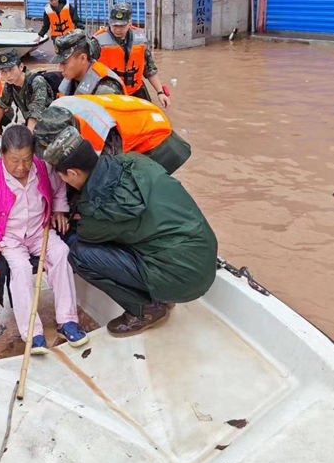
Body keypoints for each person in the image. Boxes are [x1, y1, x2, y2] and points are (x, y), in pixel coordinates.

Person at [41, 127, 217, 336]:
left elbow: (87, 234)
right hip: (203, 255)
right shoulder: (134, 161)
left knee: (80, 254)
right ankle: (161, 292)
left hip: (185, 280)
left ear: (72, 173)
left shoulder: (99, 210)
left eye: (62, 177)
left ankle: (145, 310)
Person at [0, 125, 87, 353]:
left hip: (40, 230)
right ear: (1, 154)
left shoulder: (42, 167)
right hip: (9, 237)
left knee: (61, 254)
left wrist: (59, 210)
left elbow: (59, 188)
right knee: (20, 268)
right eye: (14, 160)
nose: (21, 167)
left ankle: (67, 321)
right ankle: (32, 332)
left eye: (27, 160)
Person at [34, 96, 191, 174]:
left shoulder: (100, 133)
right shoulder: (55, 110)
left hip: (157, 135)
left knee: (135, 189)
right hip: (129, 113)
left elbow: (106, 175)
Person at [95, 3, 170, 107]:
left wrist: (160, 92)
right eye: (115, 25)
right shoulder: (97, 41)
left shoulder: (140, 40)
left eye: (122, 26)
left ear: (130, 22)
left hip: (136, 90)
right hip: (110, 94)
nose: (118, 29)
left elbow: (149, 69)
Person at [0, 49, 51, 138]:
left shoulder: (37, 82)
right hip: (31, 123)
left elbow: (35, 112)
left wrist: (28, 137)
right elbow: (2, 105)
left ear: (21, 67)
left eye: (11, 70)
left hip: (47, 124)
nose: (8, 75)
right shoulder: (10, 85)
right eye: (3, 71)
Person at [53, 30, 124, 97]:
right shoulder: (72, 77)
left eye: (64, 63)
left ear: (83, 58)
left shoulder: (105, 89)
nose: (60, 68)